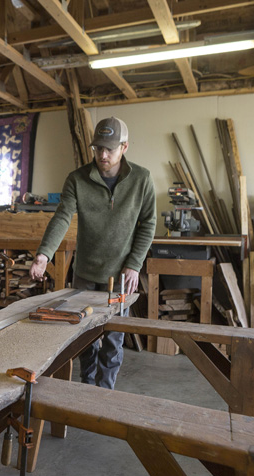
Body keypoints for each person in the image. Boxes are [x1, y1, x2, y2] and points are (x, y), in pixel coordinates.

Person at [29, 117, 156, 390]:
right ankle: (86, 387)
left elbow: (149, 223)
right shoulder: (77, 179)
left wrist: (134, 264)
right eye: (98, 148)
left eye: (109, 149)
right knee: (84, 334)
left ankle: (105, 392)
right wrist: (44, 255)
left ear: (124, 147)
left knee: (113, 339)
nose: (103, 155)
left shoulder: (142, 179)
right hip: (85, 272)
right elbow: (62, 217)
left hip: (121, 273)